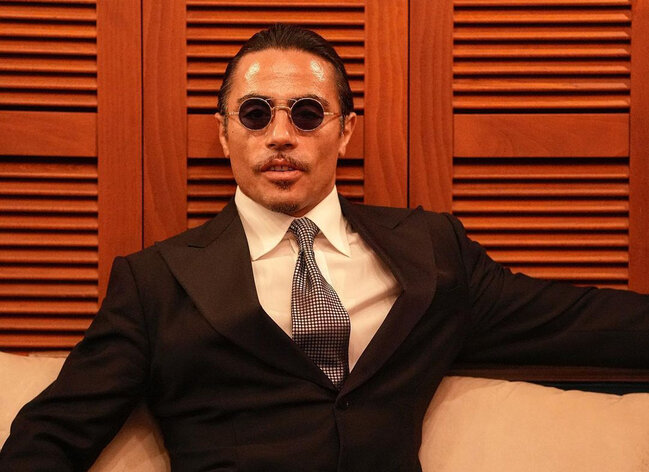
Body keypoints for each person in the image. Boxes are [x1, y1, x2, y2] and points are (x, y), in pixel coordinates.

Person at [1, 23, 648, 472]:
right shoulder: (155, 282)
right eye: (255, 113)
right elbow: (53, 434)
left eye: (307, 113)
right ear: (223, 135)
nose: (281, 135)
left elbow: (580, 322)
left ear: (344, 132)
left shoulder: (430, 253)